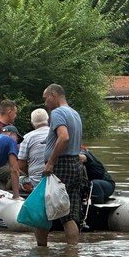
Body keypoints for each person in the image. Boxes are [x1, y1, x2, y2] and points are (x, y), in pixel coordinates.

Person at [35, 83, 83, 247]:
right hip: (75, 164)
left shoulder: (58, 113)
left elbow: (64, 137)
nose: (45, 103)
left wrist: (50, 162)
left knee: (42, 210)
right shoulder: (74, 113)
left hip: (60, 166)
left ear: (53, 95)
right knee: (68, 214)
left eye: (46, 98)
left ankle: (41, 251)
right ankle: (72, 253)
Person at [18, 108, 50, 192]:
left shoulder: (27, 137)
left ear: (32, 122)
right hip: (55, 181)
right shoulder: (56, 133)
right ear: (48, 119)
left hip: (34, 183)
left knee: (14, 180)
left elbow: (21, 164)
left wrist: (29, 173)